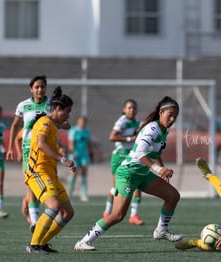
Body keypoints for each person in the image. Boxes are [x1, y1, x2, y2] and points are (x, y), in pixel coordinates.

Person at [74, 96, 183, 251]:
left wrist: (162, 169)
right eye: (169, 115)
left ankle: (161, 231)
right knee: (117, 215)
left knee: (173, 196)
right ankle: (84, 241)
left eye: (175, 116)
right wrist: (159, 169)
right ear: (161, 112)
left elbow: (155, 151)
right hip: (128, 173)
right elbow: (140, 153)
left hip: (143, 174)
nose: (172, 119)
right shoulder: (153, 128)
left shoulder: (163, 130)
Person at [24, 86, 76, 254]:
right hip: (37, 172)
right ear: (58, 109)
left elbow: (51, 146)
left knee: (68, 212)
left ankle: (43, 242)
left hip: (50, 174)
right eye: (67, 112)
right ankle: (33, 245)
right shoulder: (45, 122)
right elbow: (41, 144)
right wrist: (62, 159)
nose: (68, 116)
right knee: (53, 205)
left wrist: (62, 155)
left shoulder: (53, 126)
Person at [6, 75, 51, 231]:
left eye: (42, 87)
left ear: (46, 88)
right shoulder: (23, 105)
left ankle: (27, 202)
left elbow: (61, 123)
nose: (40, 89)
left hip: (46, 150)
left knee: (45, 181)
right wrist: (11, 147)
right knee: (33, 184)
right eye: (37, 87)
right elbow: (15, 126)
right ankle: (35, 221)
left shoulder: (51, 105)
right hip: (28, 150)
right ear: (31, 89)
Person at [103, 99, 144, 225]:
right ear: (124, 110)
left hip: (131, 157)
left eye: (134, 108)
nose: (132, 110)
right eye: (129, 108)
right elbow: (112, 137)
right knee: (116, 188)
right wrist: (129, 138)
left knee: (137, 185)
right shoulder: (122, 121)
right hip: (119, 156)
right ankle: (107, 212)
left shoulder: (138, 123)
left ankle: (134, 215)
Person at [67, 115, 92, 202]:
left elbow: (88, 143)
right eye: (81, 122)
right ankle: (69, 192)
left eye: (84, 122)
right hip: (75, 155)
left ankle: (83, 194)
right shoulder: (73, 130)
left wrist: (90, 152)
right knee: (73, 174)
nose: (82, 123)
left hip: (84, 155)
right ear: (78, 122)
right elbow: (71, 143)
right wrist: (73, 153)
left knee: (84, 174)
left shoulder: (86, 131)